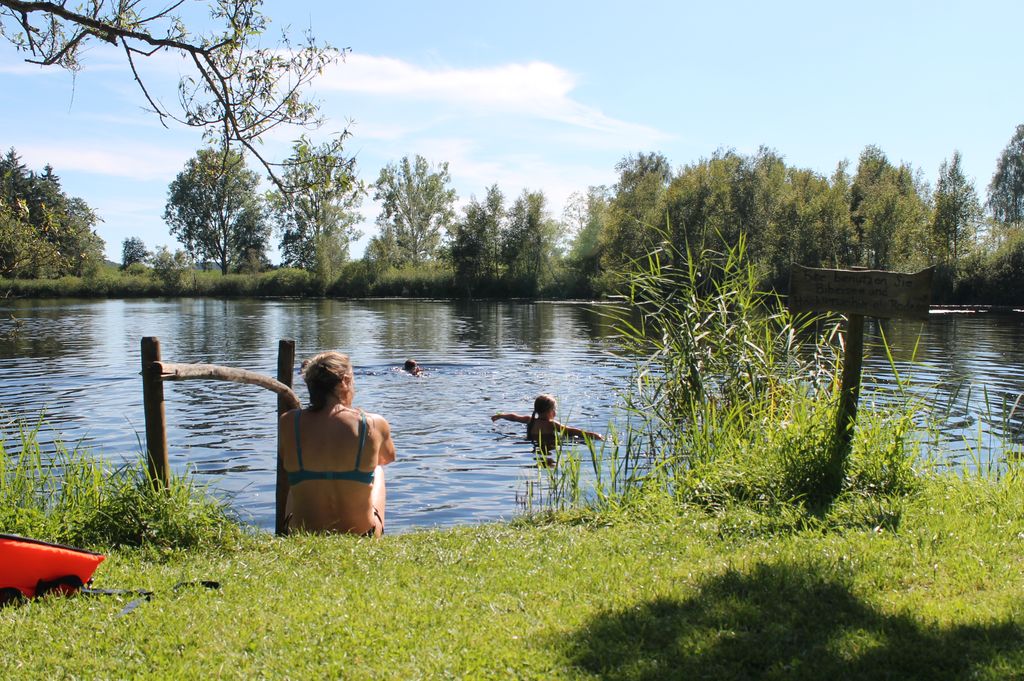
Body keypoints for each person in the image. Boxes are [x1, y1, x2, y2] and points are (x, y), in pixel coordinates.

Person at [279, 351, 396, 536]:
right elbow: (387, 458)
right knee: (377, 469)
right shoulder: (373, 423)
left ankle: (291, 530)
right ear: (346, 381)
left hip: (302, 533)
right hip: (363, 534)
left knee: (298, 475)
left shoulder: (288, 421)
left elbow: (285, 456)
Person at [491, 393, 604, 452]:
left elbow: (514, 417)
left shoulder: (530, 420)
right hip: (549, 444)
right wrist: (593, 435)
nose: (555, 411)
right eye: (554, 409)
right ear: (550, 411)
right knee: (574, 440)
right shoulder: (552, 424)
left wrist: (501, 415)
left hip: (532, 442)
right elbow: (572, 431)